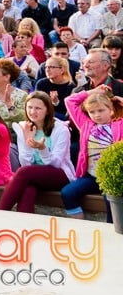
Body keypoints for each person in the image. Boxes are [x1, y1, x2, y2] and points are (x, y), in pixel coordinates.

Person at [0, 93, 75, 214]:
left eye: (38, 108)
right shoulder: (24, 127)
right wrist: (28, 143)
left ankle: (0, 214)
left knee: (24, 172)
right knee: (28, 189)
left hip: (60, 174)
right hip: (33, 174)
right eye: (30, 107)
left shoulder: (61, 130)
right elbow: (25, 163)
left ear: (48, 110)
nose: (33, 112)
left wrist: (42, 148)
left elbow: (56, 163)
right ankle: (26, 228)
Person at [61, 87, 123, 221]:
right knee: (68, 193)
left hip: (112, 178)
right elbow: (69, 101)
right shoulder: (86, 125)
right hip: (92, 176)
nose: (97, 115)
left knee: (111, 199)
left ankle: (111, 229)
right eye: (92, 112)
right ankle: (81, 226)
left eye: (101, 110)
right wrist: (92, 91)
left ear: (111, 110)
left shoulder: (120, 125)